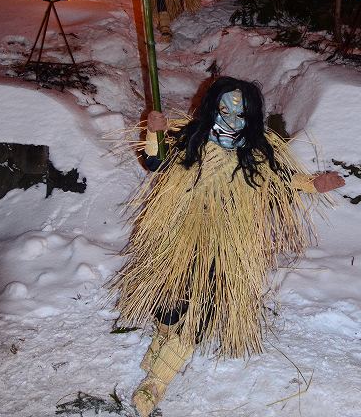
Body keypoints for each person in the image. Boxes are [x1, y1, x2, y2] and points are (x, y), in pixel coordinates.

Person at [110, 76, 344, 417]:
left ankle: (156, 382)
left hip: (227, 245)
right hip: (178, 235)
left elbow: (282, 177)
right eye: (224, 110)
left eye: (240, 113)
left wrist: (313, 183)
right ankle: (162, 342)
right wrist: (153, 132)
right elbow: (155, 163)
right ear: (212, 108)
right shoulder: (190, 137)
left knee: (200, 310)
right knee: (169, 304)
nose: (232, 119)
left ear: (251, 116)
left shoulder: (257, 151)